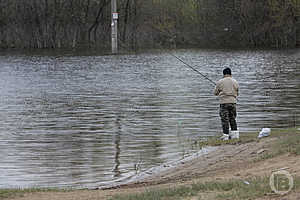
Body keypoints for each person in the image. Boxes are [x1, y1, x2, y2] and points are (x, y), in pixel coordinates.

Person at [214, 68, 239, 140]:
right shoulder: (235, 81)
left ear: (223, 74)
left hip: (224, 103)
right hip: (233, 102)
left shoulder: (220, 82)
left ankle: (225, 136)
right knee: (232, 118)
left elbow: (215, 93)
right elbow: (237, 92)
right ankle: (235, 135)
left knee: (225, 120)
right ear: (231, 73)